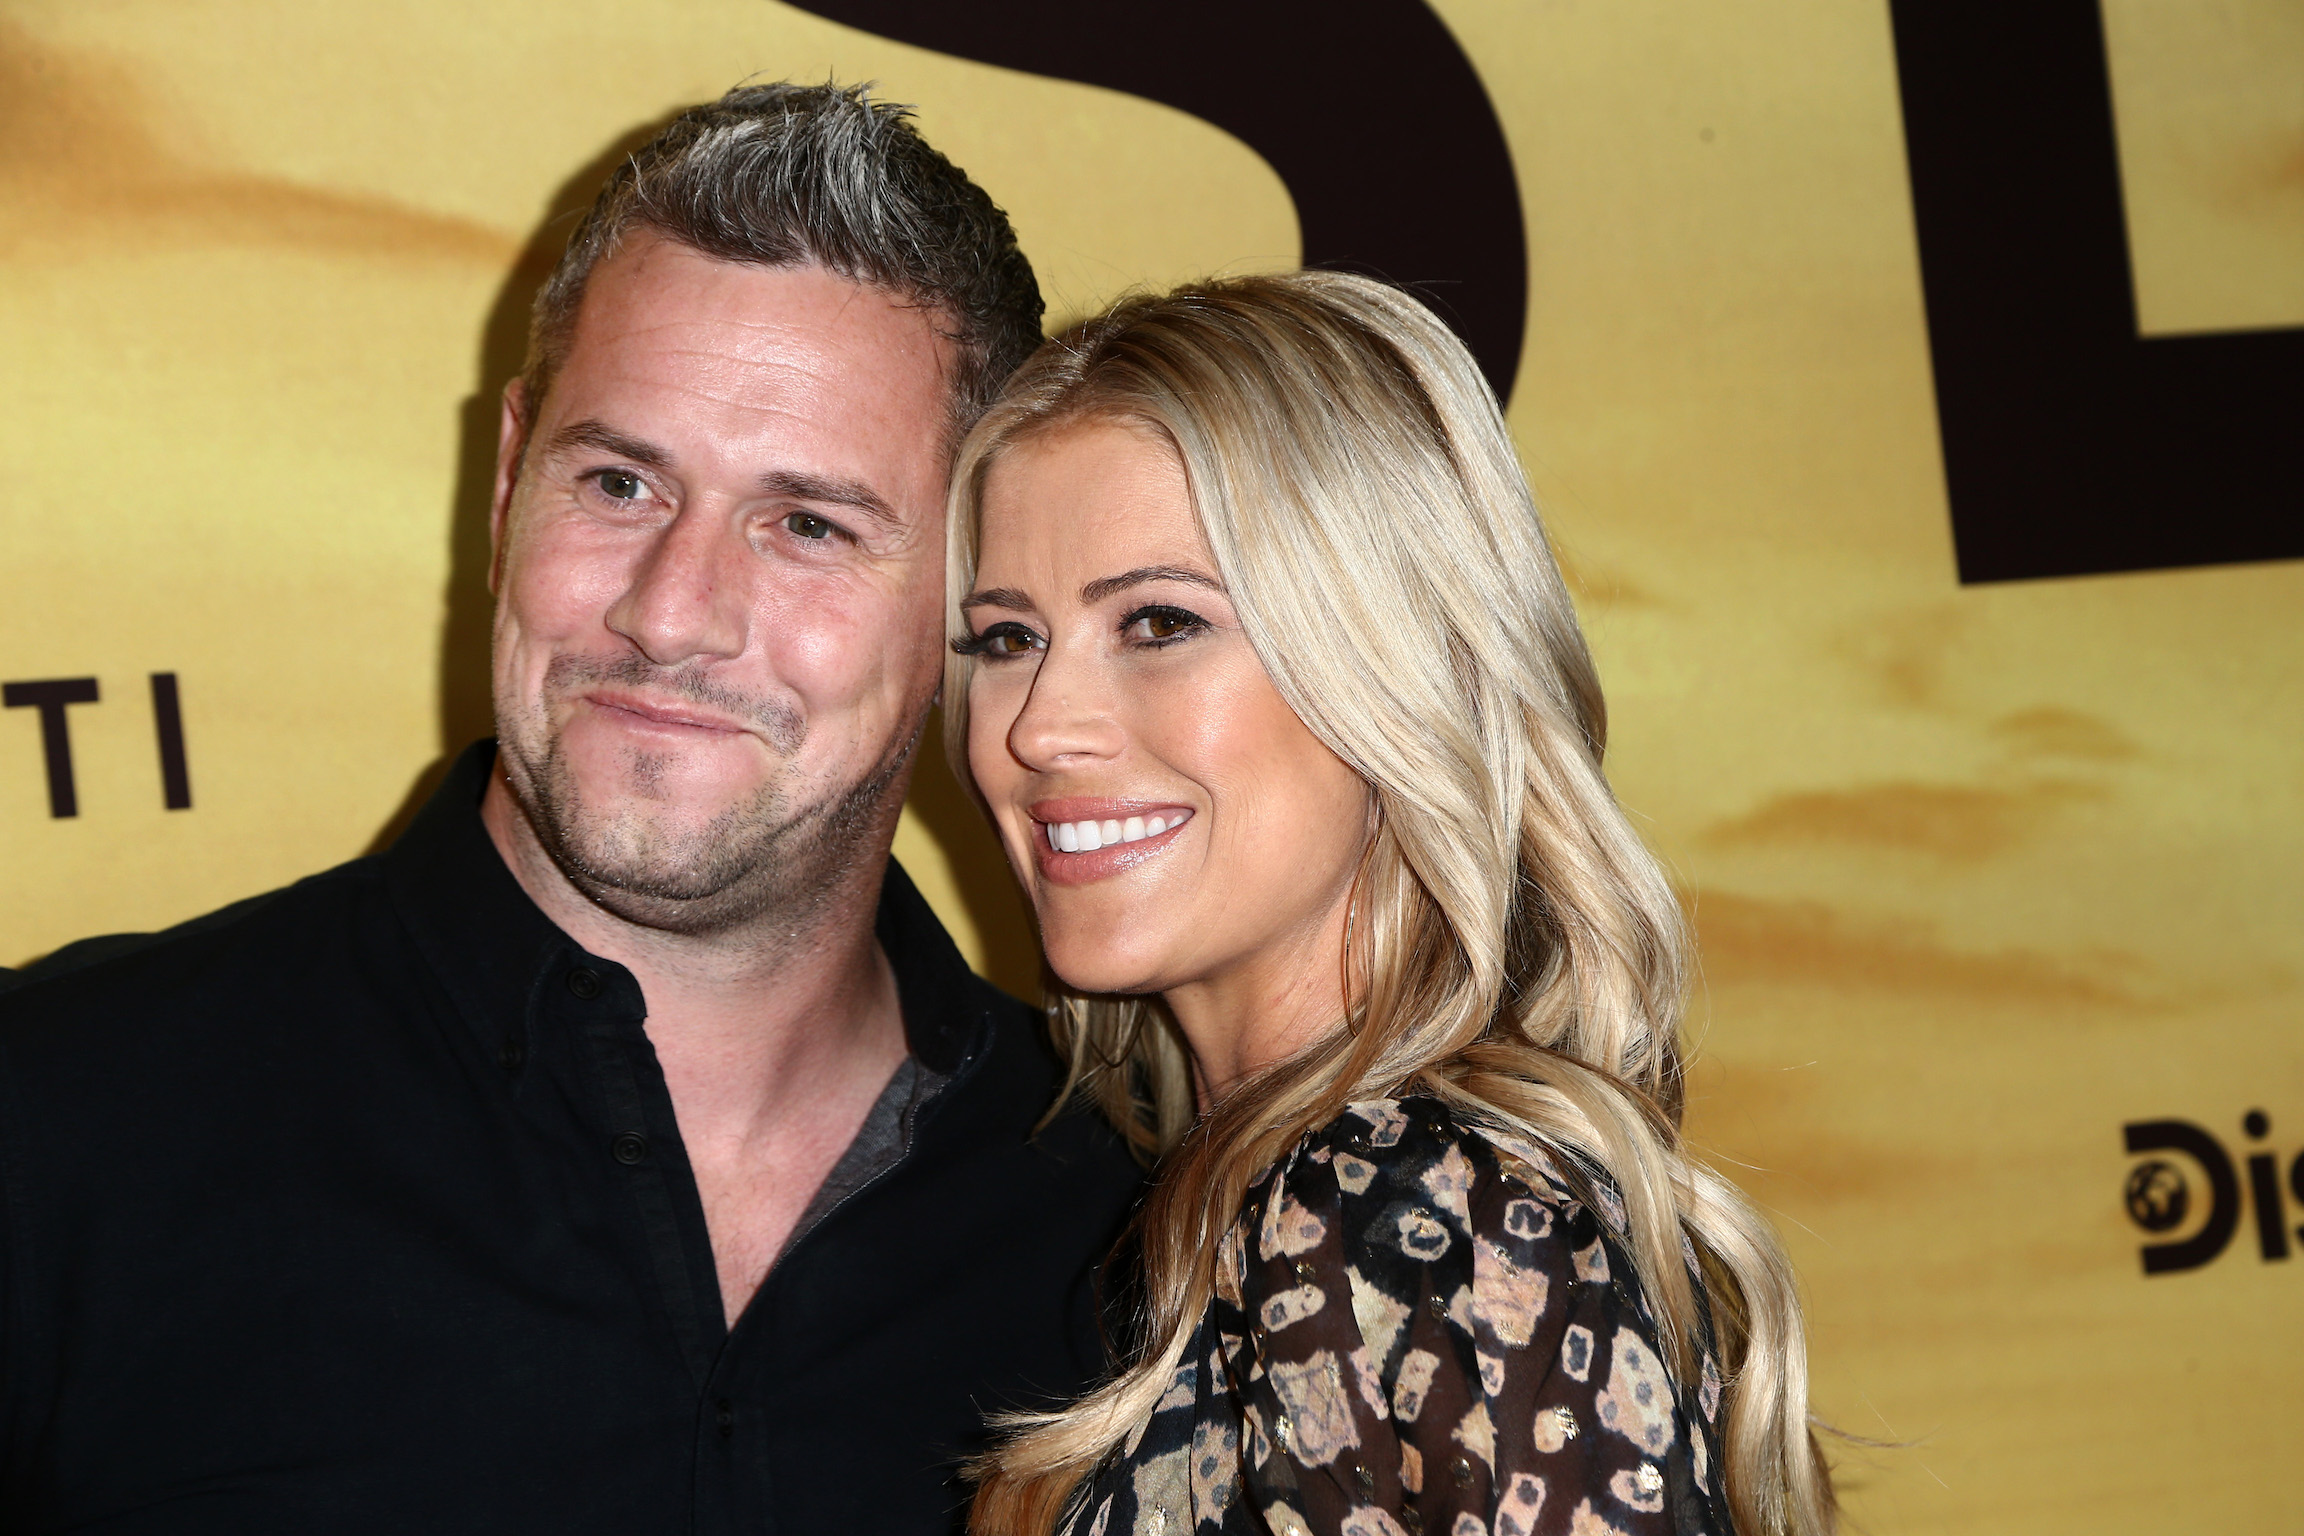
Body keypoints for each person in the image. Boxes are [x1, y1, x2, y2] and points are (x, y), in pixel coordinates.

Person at [0, 83, 1143, 1535]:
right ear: (506, 486)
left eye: (807, 525)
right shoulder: (56, 1129)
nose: (672, 616)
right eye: (617, 481)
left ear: (971, 597)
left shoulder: (1139, 1230)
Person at [944, 272, 1838, 1536]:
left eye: (1158, 622)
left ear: (1386, 663)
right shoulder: (1285, 1199)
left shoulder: (1416, 1213)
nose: (1038, 729)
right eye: (1004, 639)